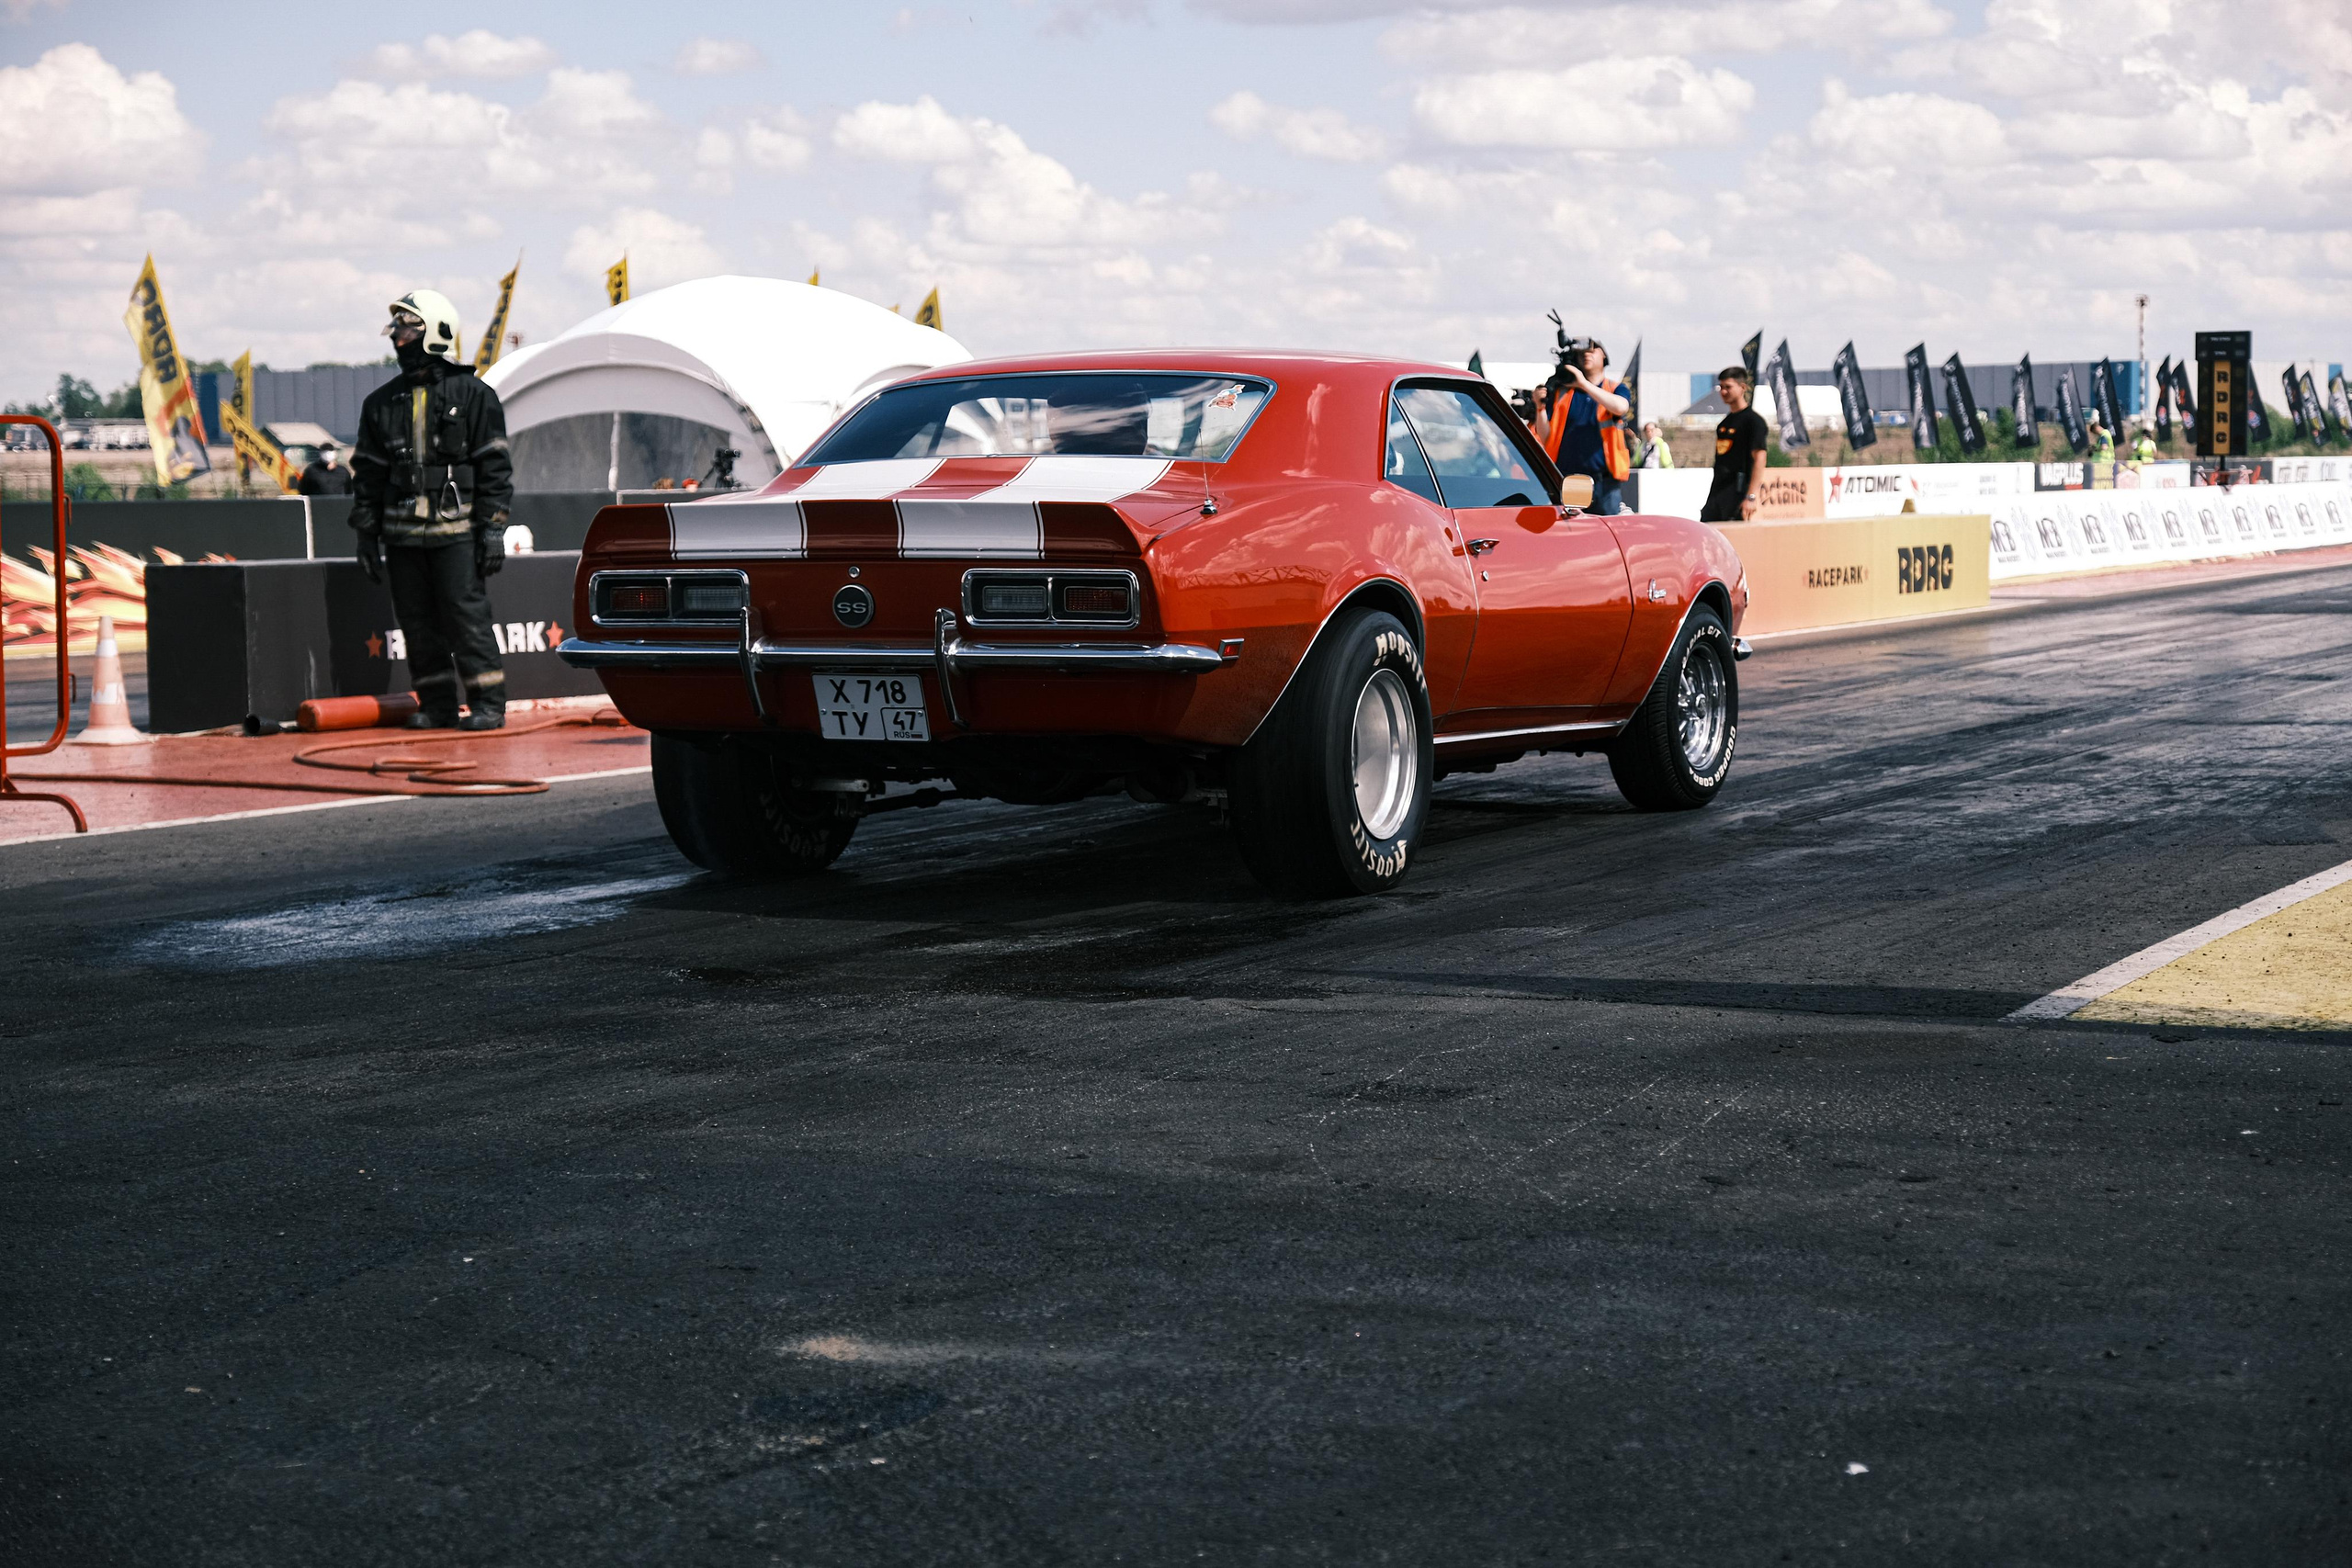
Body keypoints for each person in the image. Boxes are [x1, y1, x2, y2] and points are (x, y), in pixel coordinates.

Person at [348, 288, 515, 730]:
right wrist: (366, 534)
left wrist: (494, 528)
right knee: (417, 625)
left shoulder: (475, 395)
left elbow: (495, 467)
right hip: (402, 536)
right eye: (396, 327)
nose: (397, 337)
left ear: (435, 332)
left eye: (406, 327)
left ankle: (488, 705)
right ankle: (438, 705)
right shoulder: (379, 404)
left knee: (467, 618)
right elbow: (367, 475)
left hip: (456, 533)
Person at [1536, 339, 1633, 514]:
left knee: (1605, 532)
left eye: (1593, 351)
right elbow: (1545, 436)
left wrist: (1583, 383)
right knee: (1573, 535)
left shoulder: (1615, 388)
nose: (1586, 354)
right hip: (1569, 479)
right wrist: (1539, 407)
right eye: (1582, 353)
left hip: (1604, 482)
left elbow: (1621, 407)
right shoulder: (1563, 394)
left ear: (1604, 357)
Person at [1701, 366, 1769, 524]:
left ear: (1742, 387)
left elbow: (1760, 458)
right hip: (1717, 492)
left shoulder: (1753, 421)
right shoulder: (1725, 423)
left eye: (1728, 387)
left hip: (1737, 493)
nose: (1723, 392)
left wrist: (1750, 496)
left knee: (1735, 542)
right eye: (1721, 387)